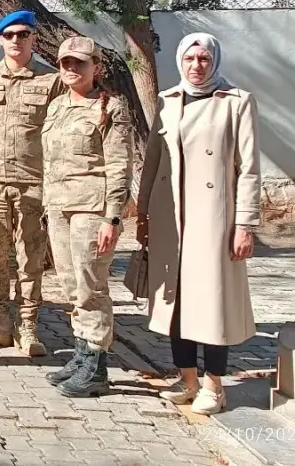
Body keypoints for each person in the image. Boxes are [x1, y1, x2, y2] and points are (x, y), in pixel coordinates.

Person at [140, 33, 259, 415]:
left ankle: (214, 385)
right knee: (176, 300)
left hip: (214, 218)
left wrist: (245, 224)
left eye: (204, 58)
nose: (196, 65)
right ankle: (188, 379)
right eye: (190, 58)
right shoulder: (168, 100)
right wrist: (142, 213)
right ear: (180, 60)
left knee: (211, 301)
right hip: (170, 216)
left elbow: (249, 168)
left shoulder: (236, 102)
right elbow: (153, 160)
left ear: (215, 60)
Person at [38, 37, 133, 397]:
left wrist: (113, 217)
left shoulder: (110, 107)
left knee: (91, 285)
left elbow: (119, 165)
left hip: (92, 210)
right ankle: (81, 355)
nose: (72, 69)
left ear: (97, 67)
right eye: (66, 63)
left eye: (80, 63)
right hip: (59, 208)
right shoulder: (57, 106)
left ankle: (96, 367)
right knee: (71, 285)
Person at [0, 10, 63, 356]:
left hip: (33, 183)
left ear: (34, 38)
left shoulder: (51, 82)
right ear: (1, 40)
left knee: (30, 259)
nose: (16, 40)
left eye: (23, 34)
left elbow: (60, 134)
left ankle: (28, 328)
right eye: (9, 35)